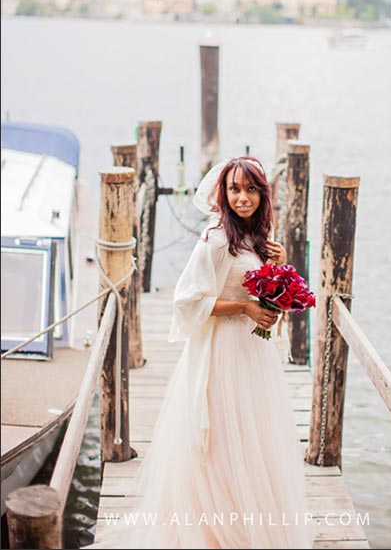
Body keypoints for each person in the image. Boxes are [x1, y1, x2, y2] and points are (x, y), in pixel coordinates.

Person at [85, 156, 313, 550]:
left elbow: (256, 291)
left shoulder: (259, 235)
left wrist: (275, 270)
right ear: (222, 194)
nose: (243, 198)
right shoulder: (217, 240)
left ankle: (248, 520)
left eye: (251, 189)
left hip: (252, 353)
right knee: (222, 438)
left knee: (255, 435)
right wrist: (242, 307)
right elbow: (187, 300)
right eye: (235, 190)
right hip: (222, 351)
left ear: (263, 192)